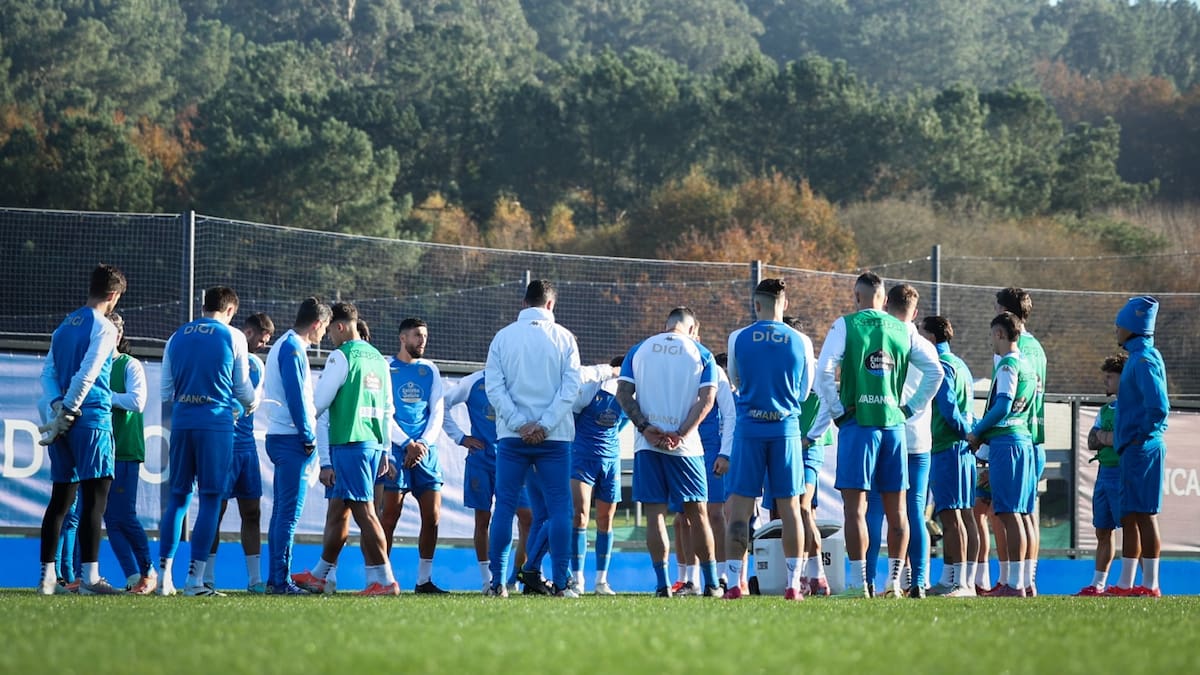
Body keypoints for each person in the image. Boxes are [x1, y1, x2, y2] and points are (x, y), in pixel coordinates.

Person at [812, 272, 942, 598]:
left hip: (860, 425)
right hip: (894, 428)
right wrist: (909, 409)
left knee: (855, 510)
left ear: (857, 296)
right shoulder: (904, 330)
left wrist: (838, 410)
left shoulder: (846, 325)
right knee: (899, 510)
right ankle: (895, 583)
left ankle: (860, 584)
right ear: (884, 299)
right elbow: (935, 371)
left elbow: (824, 369)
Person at [484, 280, 582, 598]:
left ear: (525, 303)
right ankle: (562, 584)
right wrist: (545, 424)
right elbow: (571, 388)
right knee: (559, 510)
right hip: (555, 439)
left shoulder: (503, 337)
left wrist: (520, 424)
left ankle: (498, 582)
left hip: (512, 437)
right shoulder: (565, 337)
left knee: (504, 507)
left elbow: (493, 387)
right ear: (550, 305)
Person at [158, 286, 259, 596]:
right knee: (211, 498)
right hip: (215, 424)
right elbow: (242, 390)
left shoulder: (176, 336)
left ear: (203, 306)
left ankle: (163, 579)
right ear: (230, 311)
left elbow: (165, 393)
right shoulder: (233, 337)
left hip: (182, 423)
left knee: (177, 498)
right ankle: (195, 580)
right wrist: (249, 404)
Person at [719, 281, 814, 601]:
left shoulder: (737, 338)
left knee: (740, 511)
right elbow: (804, 390)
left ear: (755, 305)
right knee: (790, 510)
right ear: (784, 305)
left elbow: (735, 381)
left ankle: (734, 584)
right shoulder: (801, 340)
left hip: (749, 430)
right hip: (785, 430)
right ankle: (792, 585)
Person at [36, 264, 127, 595]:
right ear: (114, 295)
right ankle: (89, 579)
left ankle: (47, 580)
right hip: (90, 419)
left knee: (60, 499)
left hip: (63, 418)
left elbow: (47, 373)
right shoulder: (103, 327)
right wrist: (70, 410)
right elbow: (88, 373)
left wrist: (57, 408)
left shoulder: (63, 326)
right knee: (95, 500)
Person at [297, 303, 400, 595]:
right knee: (339, 509)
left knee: (365, 512)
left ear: (340, 326)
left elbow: (320, 403)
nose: (329, 336)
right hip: (370, 442)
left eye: (330, 330)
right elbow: (388, 408)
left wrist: (300, 422)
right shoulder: (379, 358)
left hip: (349, 442)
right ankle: (320, 575)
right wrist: (385, 449)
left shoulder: (341, 356)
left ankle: (386, 580)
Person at [618, 307, 719, 598]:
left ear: (667, 325)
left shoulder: (640, 349)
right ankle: (712, 584)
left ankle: (663, 585)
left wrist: (644, 426)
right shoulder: (701, 353)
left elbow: (623, 393)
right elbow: (707, 399)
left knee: (655, 516)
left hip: (647, 445)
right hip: (686, 448)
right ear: (690, 328)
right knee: (698, 515)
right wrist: (681, 434)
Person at [864, 284, 940, 598]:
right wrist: (914, 408)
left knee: (874, 513)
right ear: (916, 312)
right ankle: (917, 581)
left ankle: (867, 580)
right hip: (919, 440)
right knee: (914, 513)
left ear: (885, 305)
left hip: (888, 434)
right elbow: (936, 374)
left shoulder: (882, 338)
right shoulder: (923, 343)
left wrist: (904, 409)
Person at [262, 297, 331, 594]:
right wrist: (308, 436)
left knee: (281, 513)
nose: (324, 334)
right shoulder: (292, 348)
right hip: (292, 439)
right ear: (316, 324)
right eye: (325, 327)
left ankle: (275, 579)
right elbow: (295, 397)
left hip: (283, 437)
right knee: (287, 515)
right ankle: (280, 581)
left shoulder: (286, 344)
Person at [966, 312, 1037, 597]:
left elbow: (1003, 406)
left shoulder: (1008, 364)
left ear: (999, 334)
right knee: (1017, 513)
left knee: (1008, 513)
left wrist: (977, 432)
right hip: (1022, 441)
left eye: (991, 336)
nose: (991, 343)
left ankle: (1015, 584)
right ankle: (1021, 583)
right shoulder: (1028, 364)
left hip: (1006, 443)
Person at [376, 317, 447, 593]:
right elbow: (384, 412)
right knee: (389, 515)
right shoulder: (386, 367)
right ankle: (383, 578)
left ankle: (423, 580)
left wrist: (422, 444)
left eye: (425, 336)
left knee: (433, 516)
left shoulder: (430, 370)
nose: (422, 341)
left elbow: (437, 411)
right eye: (417, 335)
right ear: (402, 338)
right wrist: (406, 443)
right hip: (396, 451)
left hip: (425, 452)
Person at [205, 312, 273, 593]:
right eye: (261, 340)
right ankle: (205, 577)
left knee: (252, 512)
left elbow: (248, 401)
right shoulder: (220, 355)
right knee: (214, 511)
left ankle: (255, 579)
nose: (262, 346)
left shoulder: (256, 364)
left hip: (246, 448)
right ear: (247, 332)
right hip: (221, 445)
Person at [1107, 296, 1169, 597]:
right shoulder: (1136, 357)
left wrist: (1139, 435)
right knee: (1130, 515)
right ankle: (1126, 584)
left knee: (1144, 513)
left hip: (1142, 448)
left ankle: (1151, 584)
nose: (1116, 330)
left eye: (1119, 325)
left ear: (1132, 328)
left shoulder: (1144, 359)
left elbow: (1158, 407)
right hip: (1133, 449)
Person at [918, 316, 977, 597]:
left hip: (948, 446)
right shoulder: (960, 364)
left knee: (951, 517)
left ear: (930, 338)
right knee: (962, 515)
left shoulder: (940, 365)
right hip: (962, 449)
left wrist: (966, 432)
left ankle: (960, 583)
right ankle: (954, 579)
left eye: (921, 333)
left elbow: (950, 408)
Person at [100, 311, 156, 594]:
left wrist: (102, 397)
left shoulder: (129, 365)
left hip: (125, 449)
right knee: (109, 518)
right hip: (99, 449)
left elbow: (137, 401)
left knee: (124, 515)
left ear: (118, 336)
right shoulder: (94, 365)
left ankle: (149, 572)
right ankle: (134, 577)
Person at [995, 287, 1046, 595]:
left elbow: (1007, 401)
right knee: (1026, 513)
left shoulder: (1011, 350)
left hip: (1013, 436)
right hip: (1034, 438)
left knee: (1008, 512)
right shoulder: (1037, 347)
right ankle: (1027, 581)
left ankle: (1011, 581)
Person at [569, 357, 629, 594]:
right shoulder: (592, 388)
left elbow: (623, 422)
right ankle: (577, 579)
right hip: (583, 458)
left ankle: (601, 581)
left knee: (606, 519)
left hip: (610, 462)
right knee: (581, 515)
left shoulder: (628, 395)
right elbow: (571, 418)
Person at [785, 317, 834, 597]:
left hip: (806, 448)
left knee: (803, 509)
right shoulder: (782, 365)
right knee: (789, 512)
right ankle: (805, 575)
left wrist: (810, 436)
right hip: (786, 445)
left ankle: (814, 575)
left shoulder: (812, 368)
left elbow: (829, 404)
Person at [1075, 353, 1126, 596]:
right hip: (1103, 473)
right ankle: (1098, 584)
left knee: (1130, 528)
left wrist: (1107, 438)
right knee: (1102, 530)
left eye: (1110, 377)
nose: (1105, 381)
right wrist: (1108, 438)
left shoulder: (1131, 408)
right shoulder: (1106, 409)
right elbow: (1091, 440)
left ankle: (1128, 582)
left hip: (1123, 473)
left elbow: (1121, 440)